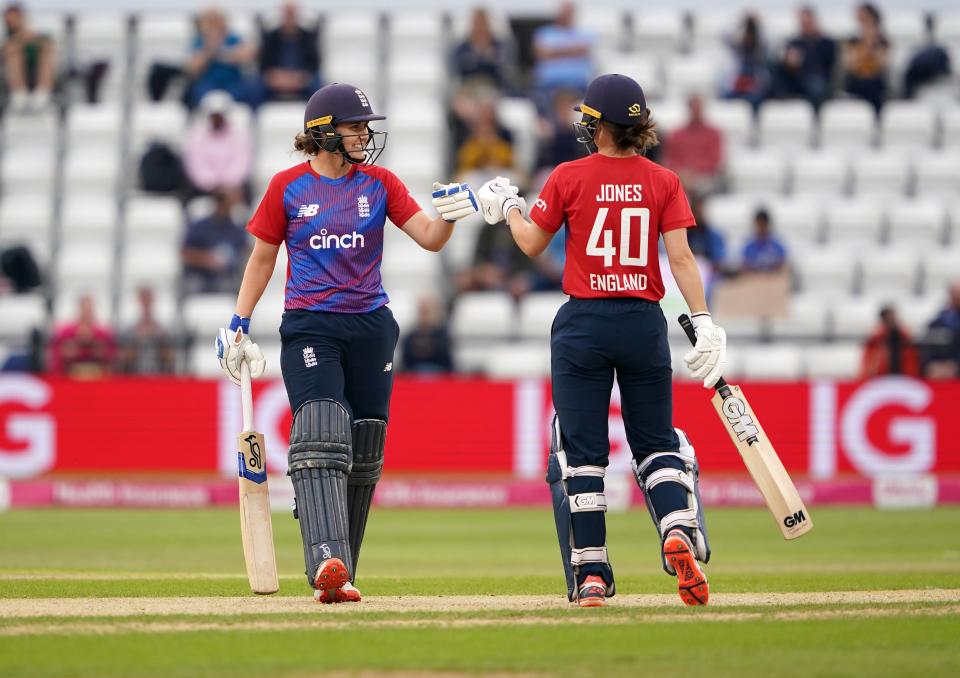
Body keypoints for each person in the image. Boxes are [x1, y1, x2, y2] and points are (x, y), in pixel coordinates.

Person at [214, 82, 479, 604]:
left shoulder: (379, 183)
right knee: (321, 428)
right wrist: (237, 321)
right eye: (355, 126)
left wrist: (448, 218)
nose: (364, 134)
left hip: (371, 325)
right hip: (312, 324)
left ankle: (342, 571)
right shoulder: (287, 188)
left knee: (365, 444)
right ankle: (324, 559)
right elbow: (263, 258)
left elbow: (427, 236)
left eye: (365, 126)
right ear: (323, 133)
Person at [476, 74, 725, 607]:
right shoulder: (664, 180)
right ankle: (676, 529)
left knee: (583, 455)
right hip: (643, 321)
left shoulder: (568, 175)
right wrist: (702, 320)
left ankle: (592, 573)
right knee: (657, 445)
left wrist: (507, 208)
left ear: (600, 125)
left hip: (584, 324)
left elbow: (532, 244)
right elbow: (680, 258)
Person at [183, 90, 252, 198]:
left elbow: (242, 163)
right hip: (204, 189)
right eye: (213, 115)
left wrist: (227, 183)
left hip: (233, 187)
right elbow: (196, 164)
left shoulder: (239, 134)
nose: (216, 119)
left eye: (219, 115)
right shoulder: (197, 135)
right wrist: (212, 184)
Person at [184, 7, 258, 109]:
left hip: (233, 83)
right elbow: (192, 67)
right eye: (211, 21)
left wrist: (221, 54)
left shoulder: (233, 38)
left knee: (254, 89)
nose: (214, 25)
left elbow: (247, 54)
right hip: (208, 85)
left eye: (217, 21)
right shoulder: (199, 40)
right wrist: (210, 50)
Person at [181, 187, 249, 295]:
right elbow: (185, 253)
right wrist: (206, 259)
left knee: (240, 290)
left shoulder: (236, 230)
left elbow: (246, 252)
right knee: (191, 287)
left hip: (226, 278)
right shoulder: (200, 226)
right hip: (200, 276)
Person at [772, 6, 836, 109]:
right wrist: (789, 61)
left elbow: (828, 63)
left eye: (807, 22)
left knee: (816, 86)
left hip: (817, 79)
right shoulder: (794, 43)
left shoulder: (826, 42)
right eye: (802, 23)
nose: (805, 26)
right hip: (798, 79)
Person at [531, 2, 594, 107]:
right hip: (548, 88)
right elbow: (541, 54)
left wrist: (554, 51)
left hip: (579, 88)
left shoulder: (584, 33)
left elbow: (585, 50)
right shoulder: (544, 33)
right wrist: (572, 51)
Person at [661, 96, 725, 195]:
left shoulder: (713, 134)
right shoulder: (676, 134)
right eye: (694, 108)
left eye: (698, 109)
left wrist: (693, 171)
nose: (696, 112)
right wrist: (683, 172)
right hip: (681, 176)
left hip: (705, 177)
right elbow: (669, 159)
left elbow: (715, 160)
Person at [258, 2, 321, 102]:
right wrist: (276, 77)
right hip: (276, 80)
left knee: (320, 90)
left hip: (301, 80)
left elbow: (314, 64)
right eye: (287, 14)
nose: (289, 18)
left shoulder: (307, 37)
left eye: (291, 14)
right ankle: (254, 117)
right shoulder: (272, 37)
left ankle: (318, 115)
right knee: (254, 88)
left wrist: (300, 78)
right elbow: (264, 65)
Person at [2, 2, 56, 112]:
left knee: (46, 51)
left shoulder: (35, 33)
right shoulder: (5, 36)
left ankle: (42, 93)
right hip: (11, 77)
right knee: (14, 52)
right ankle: (19, 94)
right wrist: (19, 41)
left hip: (36, 73)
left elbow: (49, 43)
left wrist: (31, 39)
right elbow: (5, 50)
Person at [47, 295, 116, 378]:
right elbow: (55, 353)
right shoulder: (65, 332)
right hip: (69, 377)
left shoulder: (104, 333)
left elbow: (112, 355)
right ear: (79, 309)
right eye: (84, 309)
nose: (86, 313)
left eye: (89, 309)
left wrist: (101, 352)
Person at [117, 287, 176, 374]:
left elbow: (169, 357)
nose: (146, 303)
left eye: (148, 299)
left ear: (153, 300)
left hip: (158, 375)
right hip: (134, 375)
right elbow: (124, 358)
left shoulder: (162, 330)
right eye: (143, 299)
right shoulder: (130, 330)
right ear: (139, 301)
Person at [842, 3, 889, 113]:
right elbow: (850, 65)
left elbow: (883, 64)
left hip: (875, 83)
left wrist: (872, 46)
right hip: (857, 81)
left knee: (873, 85)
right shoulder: (852, 41)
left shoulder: (882, 42)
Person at [451, 8, 512, 90]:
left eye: (483, 23)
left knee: (486, 101)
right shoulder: (464, 47)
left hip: (491, 85)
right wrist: (477, 56)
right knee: (464, 101)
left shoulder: (497, 45)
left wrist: (488, 56)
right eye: (477, 23)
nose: (480, 27)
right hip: (468, 85)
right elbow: (458, 66)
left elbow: (502, 67)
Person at [722, 13, 770, 110]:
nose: (749, 36)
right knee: (724, 101)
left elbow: (771, 39)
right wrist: (740, 22)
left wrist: (760, 24)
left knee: (759, 99)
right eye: (747, 32)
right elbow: (723, 35)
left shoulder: (761, 50)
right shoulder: (737, 48)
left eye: (751, 33)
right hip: (736, 88)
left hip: (754, 89)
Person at [860, 305, 920, 378]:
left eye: (893, 317)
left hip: (904, 377)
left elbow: (912, 359)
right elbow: (869, 363)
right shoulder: (876, 339)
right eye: (889, 317)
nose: (892, 320)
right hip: (881, 377)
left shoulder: (904, 336)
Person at [401, 293, 454, 374]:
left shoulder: (443, 335)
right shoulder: (410, 336)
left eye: (427, 312)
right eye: (422, 312)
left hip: (440, 376)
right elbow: (406, 361)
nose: (424, 316)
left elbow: (446, 361)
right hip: (414, 376)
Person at [923, 280, 960, 380]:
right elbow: (928, 346)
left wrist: (955, 365)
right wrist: (932, 364)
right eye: (955, 293)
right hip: (940, 373)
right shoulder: (939, 320)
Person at [740, 208, 787, 273]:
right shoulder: (749, 246)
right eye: (759, 224)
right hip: (754, 280)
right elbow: (744, 266)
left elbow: (783, 266)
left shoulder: (777, 246)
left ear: (768, 224)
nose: (761, 228)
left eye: (763, 224)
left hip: (773, 279)